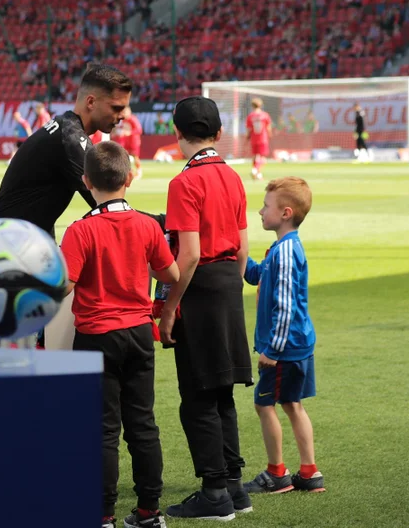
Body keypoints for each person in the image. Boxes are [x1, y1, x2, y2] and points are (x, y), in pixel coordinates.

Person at [0, 63, 133, 347]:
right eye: (117, 108)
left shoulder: (65, 130)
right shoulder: (71, 139)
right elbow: (111, 208)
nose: (122, 116)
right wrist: (162, 224)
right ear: (91, 102)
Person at [60, 142, 178, 528]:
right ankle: (148, 511)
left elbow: (64, 285)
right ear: (129, 178)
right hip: (139, 334)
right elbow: (171, 275)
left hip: (97, 336)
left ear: (86, 182)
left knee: (103, 430)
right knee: (142, 424)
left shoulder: (81, 230)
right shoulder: (147, 225)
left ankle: (103, 514)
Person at [157, 96, 253, 521]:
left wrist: (169, 306)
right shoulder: (232, 177)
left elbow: (190, 254)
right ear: (217, 134)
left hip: (199, 287)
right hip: (230, 282)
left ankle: (214, 492)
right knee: (223, 390)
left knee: (196, 395)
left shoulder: (184, 183)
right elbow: (245, 247)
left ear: (177, 133)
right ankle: (234, 486)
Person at [243, 177, 324, 495]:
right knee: (293, 403)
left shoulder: (286, 252)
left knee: (265, 405)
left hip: (285, 348)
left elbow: (285, 305)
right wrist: (241, 256)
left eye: (266, 206)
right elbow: (257, 275)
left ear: (286, 212)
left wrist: (273, 350)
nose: (260, 211)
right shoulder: (281, 249)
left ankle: (277, 473)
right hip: (296, 345)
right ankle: (309, 472)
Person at [112, 107, 144, 180]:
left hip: (134, 141)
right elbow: (119, 129)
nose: (124, 113)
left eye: (125, 112)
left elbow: (139, 130)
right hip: (125, 141)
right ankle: (127, 171)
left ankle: (139, 171)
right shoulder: (122, 120)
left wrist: (129, 133)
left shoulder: (133, 119)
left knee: (135, 157)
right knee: (124, 156)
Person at [246, 98, 273, 181]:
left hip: (254, 139)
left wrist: (247, 137)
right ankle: (255, 170)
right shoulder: (265, 115)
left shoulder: (250, 116)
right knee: (263, 158)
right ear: (261, 105)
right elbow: (268, 127)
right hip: (263, 139)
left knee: (255, 157)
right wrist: (270, 135)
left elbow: (249, 129)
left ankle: (258, 174)